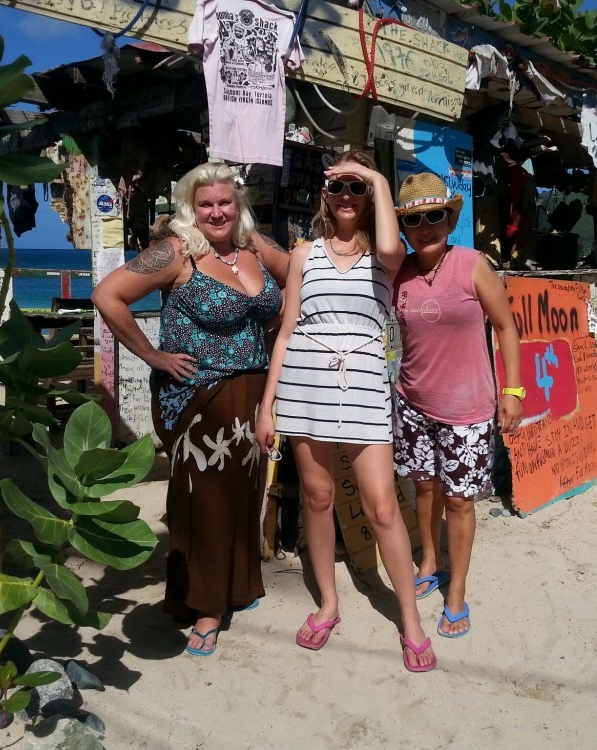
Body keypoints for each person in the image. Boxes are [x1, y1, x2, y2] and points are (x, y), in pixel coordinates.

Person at [92, 162, 288, 657]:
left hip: (253, 391)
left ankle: (239, 587)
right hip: (197, 397)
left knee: (244, 494)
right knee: (204, 503)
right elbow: (108, 295)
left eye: (225, 202)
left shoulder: (253, 247)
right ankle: (203, 605)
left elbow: (299, 273)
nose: (217, 212)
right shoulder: (177, 252)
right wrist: (153, 355)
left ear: (237, 204)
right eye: (206, 204)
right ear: (190, 208)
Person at [255, 151, 437, 673]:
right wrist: (268, 408)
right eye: (338, 188)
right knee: (317, 496)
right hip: (305, 383)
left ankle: (410, 619)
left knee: (382, 506)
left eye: (357, 189)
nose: (347, 198)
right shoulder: (302, 253)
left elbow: (386, 241)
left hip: (361, 384)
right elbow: (287, 331)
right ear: (324, 196)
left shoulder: (387, 255)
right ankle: (329, 604)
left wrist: (376, 177)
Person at [391, 172, 523, 638]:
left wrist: (513, 391)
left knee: (460, 502)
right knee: (422, 489)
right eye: (414, 220)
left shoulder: (473, 264)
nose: (426, 227)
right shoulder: (399, 271)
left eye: (435, 216)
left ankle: (458, 592)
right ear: (402, 226)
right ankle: (431, 558)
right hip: (411, 402)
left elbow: (507, 327)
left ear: (449, 219)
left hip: (467, 410)